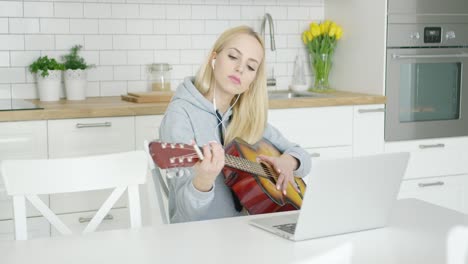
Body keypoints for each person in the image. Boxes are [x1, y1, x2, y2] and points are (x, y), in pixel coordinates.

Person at [159, 25, 311, 223]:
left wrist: (287, 163)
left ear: (252, 80)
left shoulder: (247, 117)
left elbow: (304, 159)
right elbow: (185, 215)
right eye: (233, 57)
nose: (240, 68)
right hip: (200, 239)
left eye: (250, 66)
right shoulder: (181, 115)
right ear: (214, 58)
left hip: (247, 232)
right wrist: (203, 180)